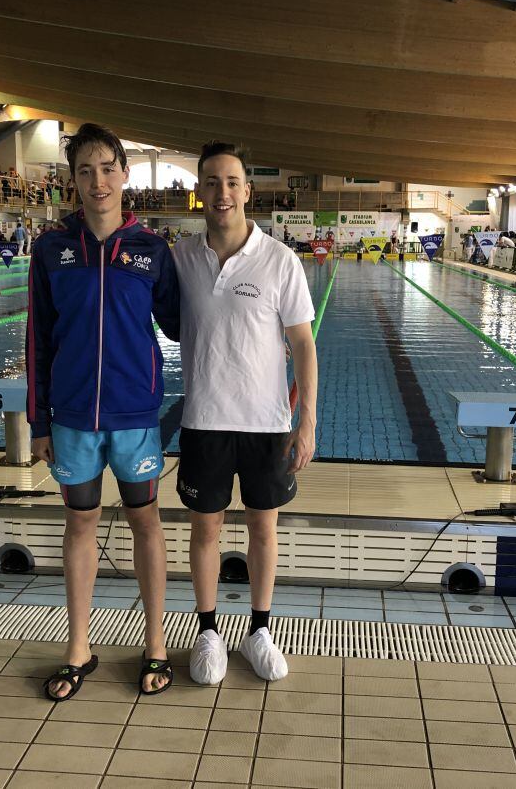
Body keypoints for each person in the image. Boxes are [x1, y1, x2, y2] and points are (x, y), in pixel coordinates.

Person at [27, 123, 180, 700]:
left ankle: (157, 643)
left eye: (107, 168)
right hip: (70, 418)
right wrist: (38, 422)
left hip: (135, 416)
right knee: (81, 523)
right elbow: (38, 338)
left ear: (125, 174)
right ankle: (78, 648)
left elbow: (183, 326)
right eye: (85, 170)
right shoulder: (52, 249)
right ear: (73, 180)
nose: (98, 180)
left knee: (146, 522)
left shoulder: (149, 249)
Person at [173, 141, 317, 686]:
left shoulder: (280, 260)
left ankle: (260, 630)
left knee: (263, 529)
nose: (222, 191)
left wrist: (306, 421)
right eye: (211, 182)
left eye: (231, 181)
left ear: (247, 191)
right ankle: (208, 632)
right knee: (205, 530)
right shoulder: (182, 257)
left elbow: (303, 345)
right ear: (200, 192)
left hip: (266, 423)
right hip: (205, 419)